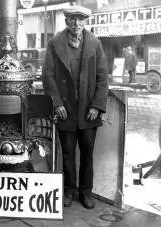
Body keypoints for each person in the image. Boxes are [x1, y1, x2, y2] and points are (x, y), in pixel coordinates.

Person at [42, 5, 108, 209]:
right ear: (66, 21)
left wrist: (97, 106)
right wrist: (57, 103)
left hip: (89, 111)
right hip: (66, 110)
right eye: (72, 20)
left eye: (80, 20)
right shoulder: (55, 44)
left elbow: (102, 77)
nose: (76, 24)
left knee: (87, 153)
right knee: (68, 153)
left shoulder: (95, 43)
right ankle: (69, 190)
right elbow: (48, 76)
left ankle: (85, 192)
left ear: (85, 22)